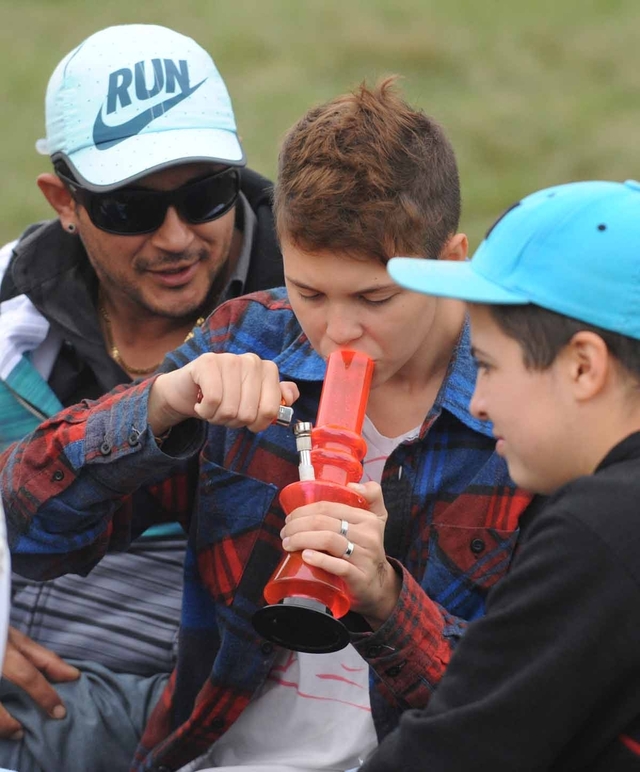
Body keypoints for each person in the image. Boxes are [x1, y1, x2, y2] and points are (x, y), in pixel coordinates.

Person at [0, 79, 533, 772]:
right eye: (310, 291)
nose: (338, 332)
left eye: (375, 297)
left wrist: (386, 601)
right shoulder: (249, 338)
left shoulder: (525, 406)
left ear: (450, 263)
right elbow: (31, 535)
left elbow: (526, 713)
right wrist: (159, 404)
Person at [0, 22, 283, 772]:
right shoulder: (9, 304)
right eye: (130, 208)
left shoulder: (321, 316)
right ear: (63, 200)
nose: (176, 237)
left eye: (206, 195)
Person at [357, 178, 640, 771]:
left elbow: (452, 752)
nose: (478, 402)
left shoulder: (600, 531)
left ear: (583, 366)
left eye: (487, 365)